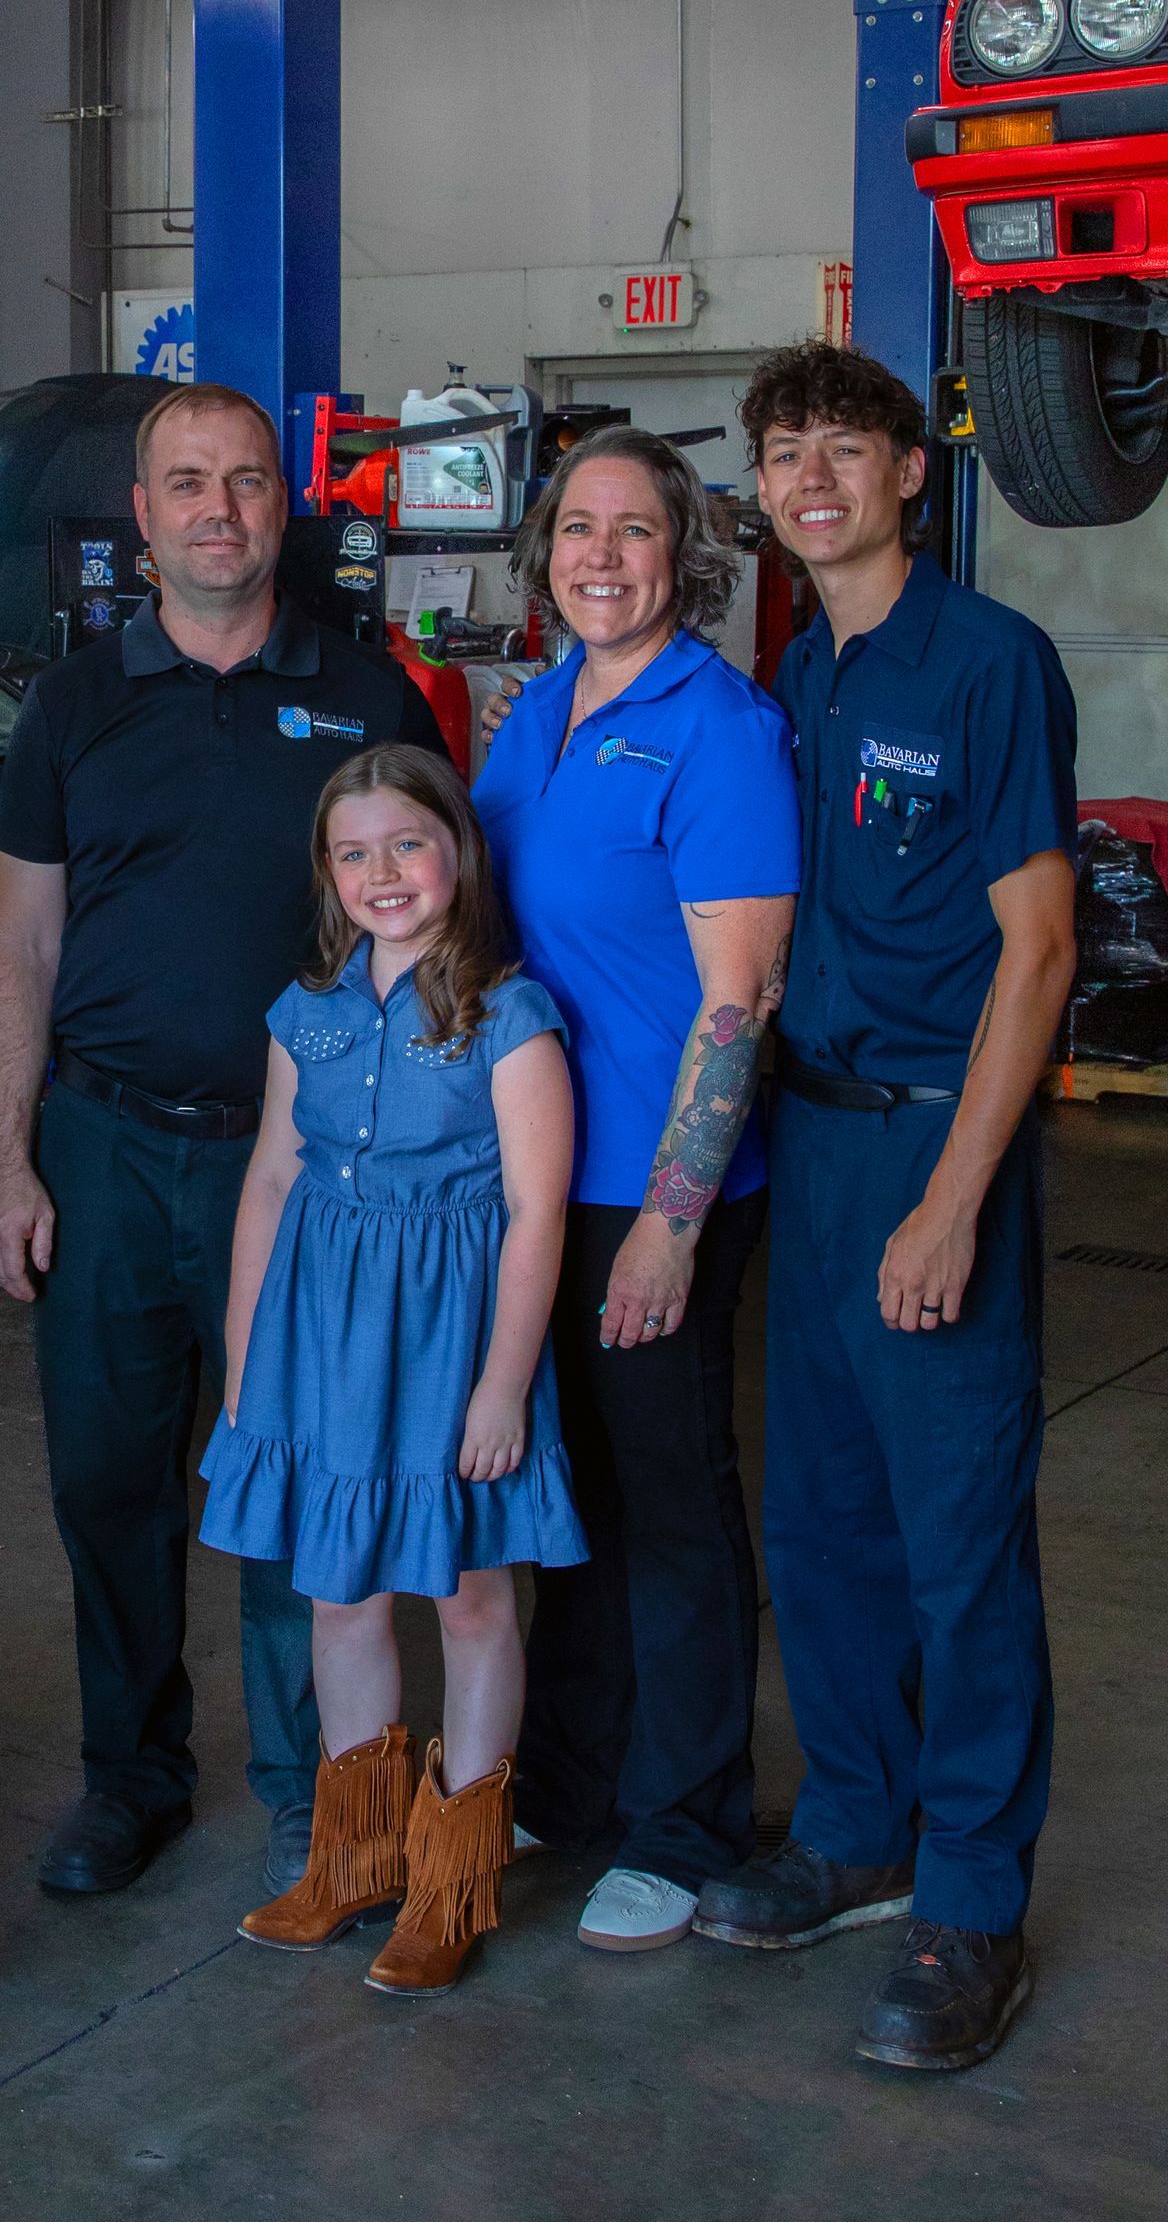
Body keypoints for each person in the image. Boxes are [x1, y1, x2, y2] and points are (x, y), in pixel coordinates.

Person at [0, 382, 447, 1904]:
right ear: (145, 514)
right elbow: (19, 942)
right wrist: (7, 1162)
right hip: (105, 1151)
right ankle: (133, 1782)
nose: (219, 512)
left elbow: (446, 937)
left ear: (279, 507)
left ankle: (315, 1793)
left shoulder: (373, 697)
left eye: (246, 484)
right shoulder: (73, 703)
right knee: (110, 1488)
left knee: (293, 1485)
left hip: (308, 1168)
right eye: (188, 484)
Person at [693, 341, 1076, 2075]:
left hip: (934, 1146)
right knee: (828, 1523)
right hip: (817, 1147)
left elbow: (1041, 948)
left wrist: (954, 1201)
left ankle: (973, 1903)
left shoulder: (990, 663)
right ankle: (856, 1828)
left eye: (844, 446)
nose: (812, 476)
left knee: (957, 1541)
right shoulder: (801, 674)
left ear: (914, 472)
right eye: (784, 452)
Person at [473, 426, 799, 1953]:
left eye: (636, 532)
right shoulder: (529, 716)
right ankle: (572, 1773)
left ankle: (686, 1820)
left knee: (670, 1500)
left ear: (687, 557)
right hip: (539, 1182)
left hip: (659, 1182)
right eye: (579, 530)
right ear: (542, 554)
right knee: (575, 1494)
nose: (603, 556)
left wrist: (672, 1218)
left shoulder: (717, 726)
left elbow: (740, 993)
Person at [201, 745, 582, 1994]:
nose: (383, 873)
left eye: (407, 844)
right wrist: (248, 1359)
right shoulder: (301, 1011)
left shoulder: (508, 1016)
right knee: (338, 1595)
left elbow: (537, 1213)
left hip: (453, 1342)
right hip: (322, 1338)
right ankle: (355, 1860)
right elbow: (270, 1180)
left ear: (457, 853)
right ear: (326, 871)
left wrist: (503, 1386)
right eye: (353, 852)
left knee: (471, 1599)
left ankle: (454, 1882)